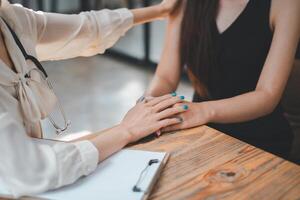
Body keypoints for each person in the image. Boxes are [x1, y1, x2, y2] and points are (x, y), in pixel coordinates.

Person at [0, 0, 189, 197]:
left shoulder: (11, 20)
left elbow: (87, 27)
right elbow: (32, 171)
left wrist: (161, 10)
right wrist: (126, 130)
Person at [144, 0, 300, 160]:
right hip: (199, 132)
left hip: (259, 142)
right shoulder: (186, 3)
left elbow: (267, 95)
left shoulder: (286, 4)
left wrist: (202, 111)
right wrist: (149, 103)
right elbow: (166, 77)